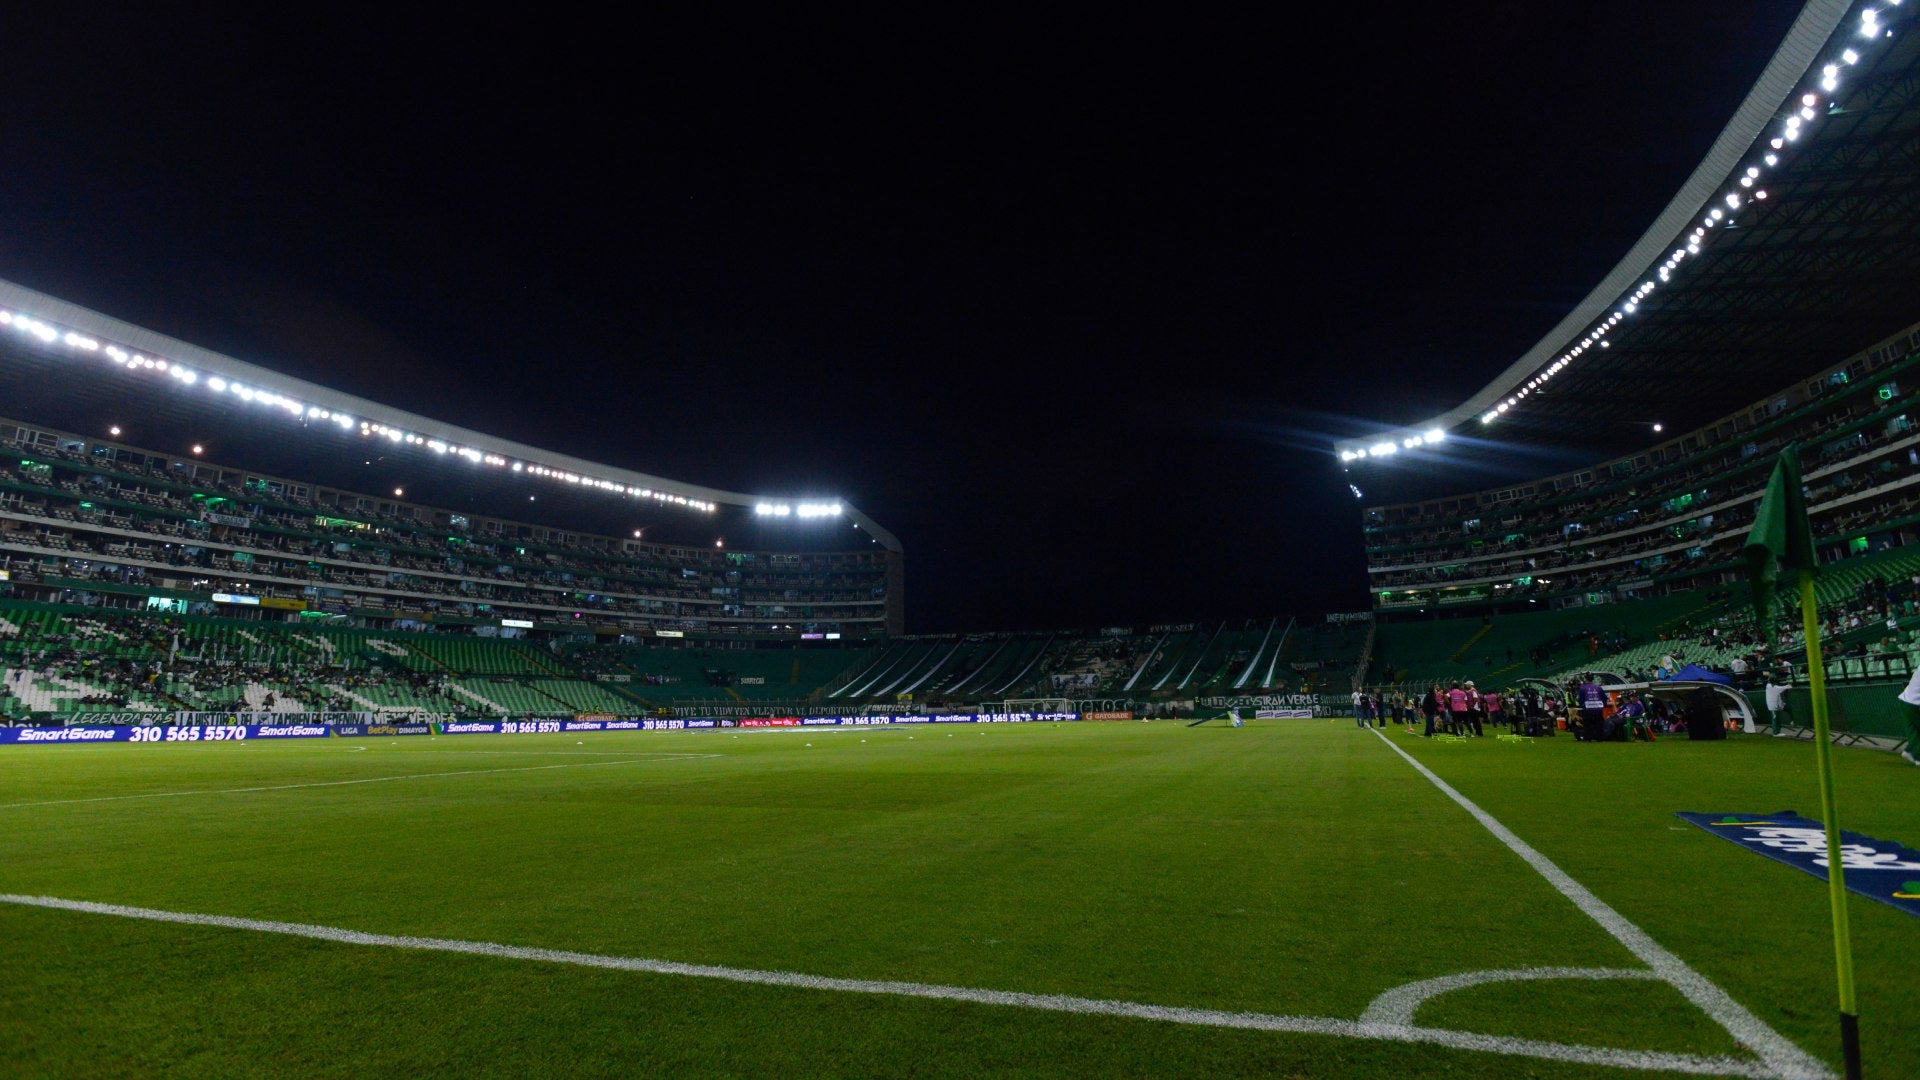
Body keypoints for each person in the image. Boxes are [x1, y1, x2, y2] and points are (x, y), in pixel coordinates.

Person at [1575, 677, 1609, 742]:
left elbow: (1580, 699)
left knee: (1588, 724)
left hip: (1588, 708)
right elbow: (1604, 698)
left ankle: (1588, 738)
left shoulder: (1582, 687)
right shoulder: (1598, 687)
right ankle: (1599, 738)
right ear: (1593, 679)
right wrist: (1603, 705)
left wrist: (1582, 706)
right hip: (1598, 708)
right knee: (1599, 724)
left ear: (1586, 679)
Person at [1764, 665, 1792, 736]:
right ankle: (1775, 732)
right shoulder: (1774, 687)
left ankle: (1778, 731)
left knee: (1777, 719)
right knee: (1775, 719)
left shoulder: (1768, 685)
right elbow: (1785, 687)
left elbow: (1769, 677)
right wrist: (1789, 684)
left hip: (1776, 705)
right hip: (1773, 706)